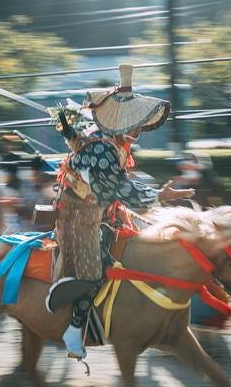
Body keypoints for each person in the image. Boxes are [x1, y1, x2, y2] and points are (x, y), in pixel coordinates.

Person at [49, 64, 195, 359]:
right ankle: (74, 329)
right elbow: (122, 189)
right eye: (134, 120)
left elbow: (75, 137)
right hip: (79, 216)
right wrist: (160, 195)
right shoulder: (103, 149)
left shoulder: (115, 141)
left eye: (139, 119)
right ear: (119, 122)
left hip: (102, 209)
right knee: (91, 273)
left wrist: (67, 125)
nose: (139, 126)